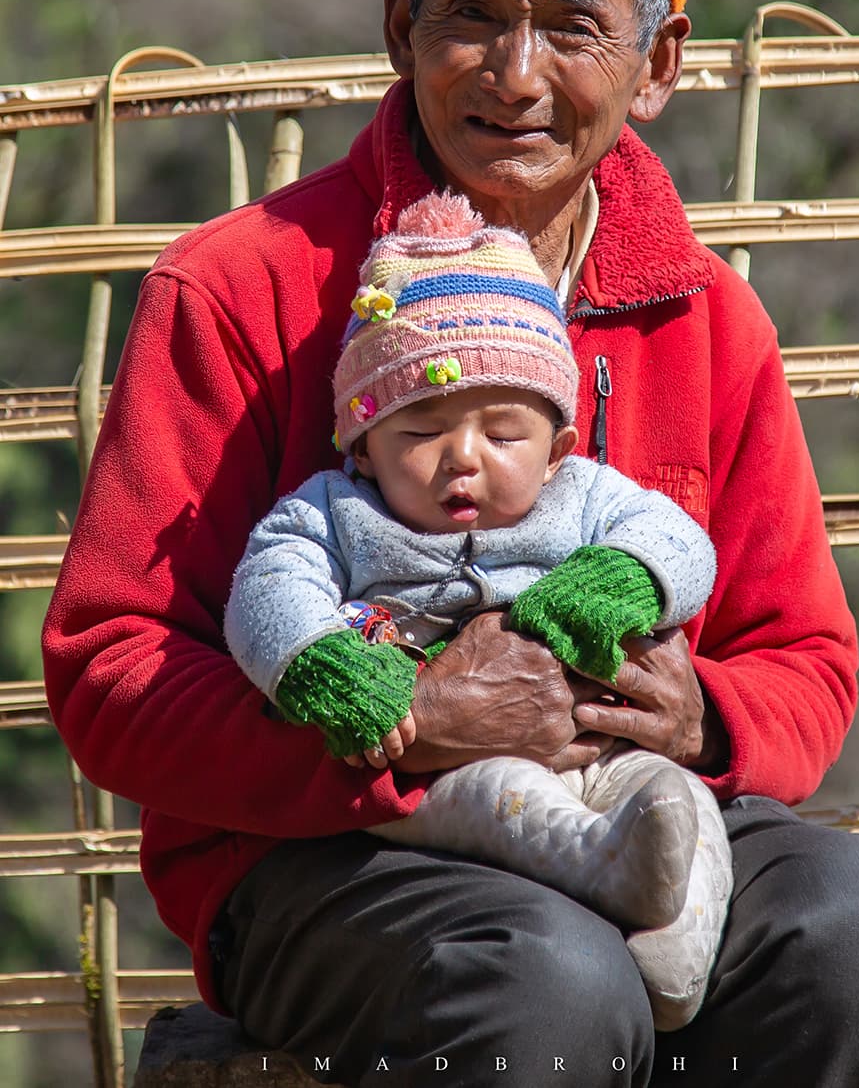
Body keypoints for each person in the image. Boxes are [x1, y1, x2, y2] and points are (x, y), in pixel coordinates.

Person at [42, 0, 859, 1087]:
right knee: (551, 977)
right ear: (399, 24)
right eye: (473, 15)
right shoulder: (240, 289)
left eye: (575, 28)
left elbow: (802, 661)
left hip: (636, 815)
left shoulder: (707, 324)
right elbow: (111, 669)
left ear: (658, 67)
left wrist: (694, 717)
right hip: (316, 856)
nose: (515, 75)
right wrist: (407, 721)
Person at [223, 187, 732, 1029]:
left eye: (503, 433)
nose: (463, 459)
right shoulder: (336, 513)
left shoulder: (585, 498)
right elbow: (267, 590)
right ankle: (603, 872)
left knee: (678, 803)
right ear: (361, 442)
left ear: (560, 445)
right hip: (448, 776)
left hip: (603, 748)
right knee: (503, 798)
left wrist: (619, 577)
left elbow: (680, 541)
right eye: (420, 431)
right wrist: (327, 665)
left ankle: (675, 945)